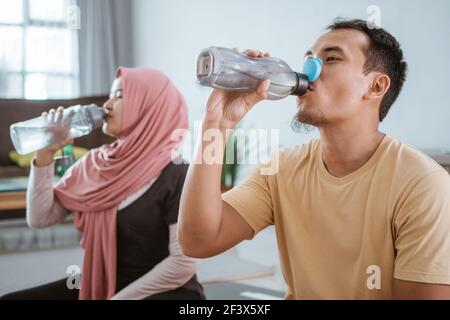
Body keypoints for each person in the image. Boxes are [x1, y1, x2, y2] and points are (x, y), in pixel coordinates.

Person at [178, 19, 450, 299]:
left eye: (331, 58)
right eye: (308, 58)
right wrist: (217, 123)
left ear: (376, 86)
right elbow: (199, 241)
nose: (309, 70)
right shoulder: (281, 169)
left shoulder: (423, 185)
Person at [2, 68, 205, 300]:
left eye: (119, 95)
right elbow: (39, 219)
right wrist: (45, 155)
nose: (107, 105)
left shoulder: (177, 173)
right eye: (110, 95)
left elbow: (181, 265)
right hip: (101, 280)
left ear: (149, 107)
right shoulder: (93, 164)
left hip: (166, 291)